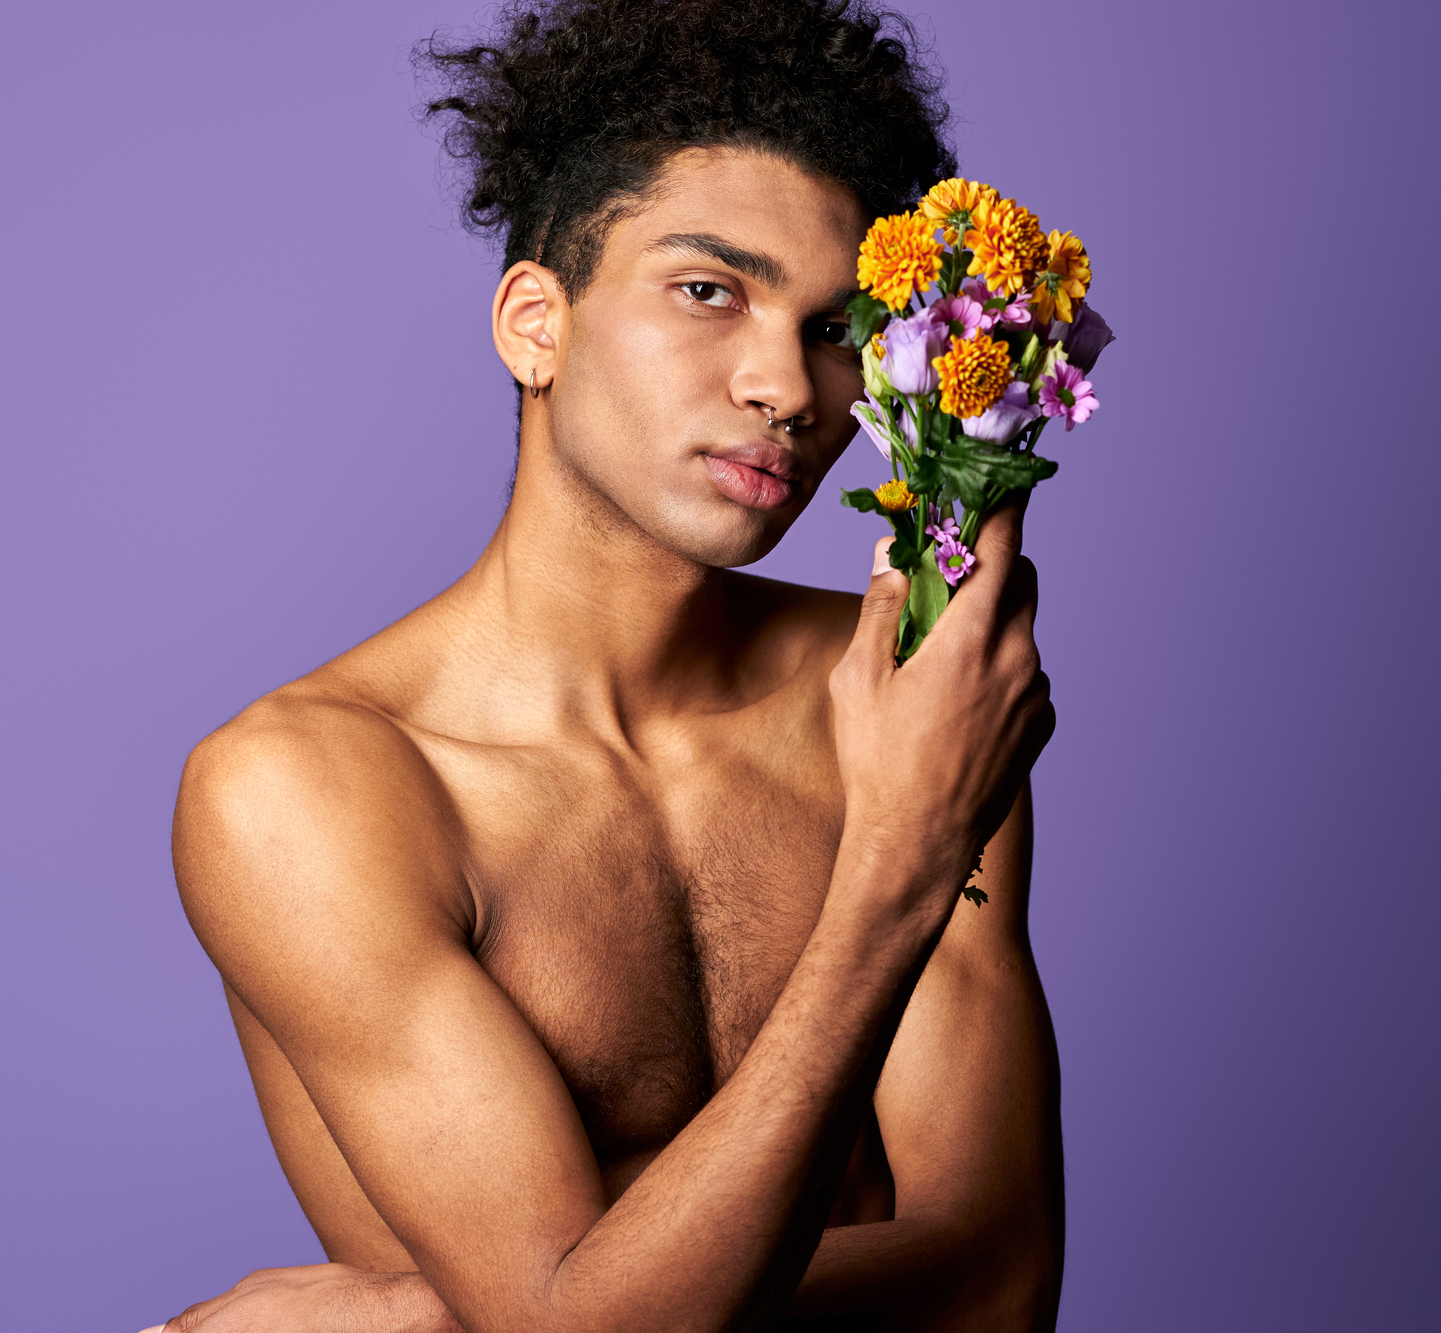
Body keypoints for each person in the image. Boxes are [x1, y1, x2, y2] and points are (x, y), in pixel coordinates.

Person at [152, 2, 1061, 1329]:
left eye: (830, 329)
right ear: (537, 323)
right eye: (710, 291)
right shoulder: (309, 793)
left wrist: (423, 1317)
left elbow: (999, 1285)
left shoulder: (898, 690)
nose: (786, 388)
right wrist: (899, 866)